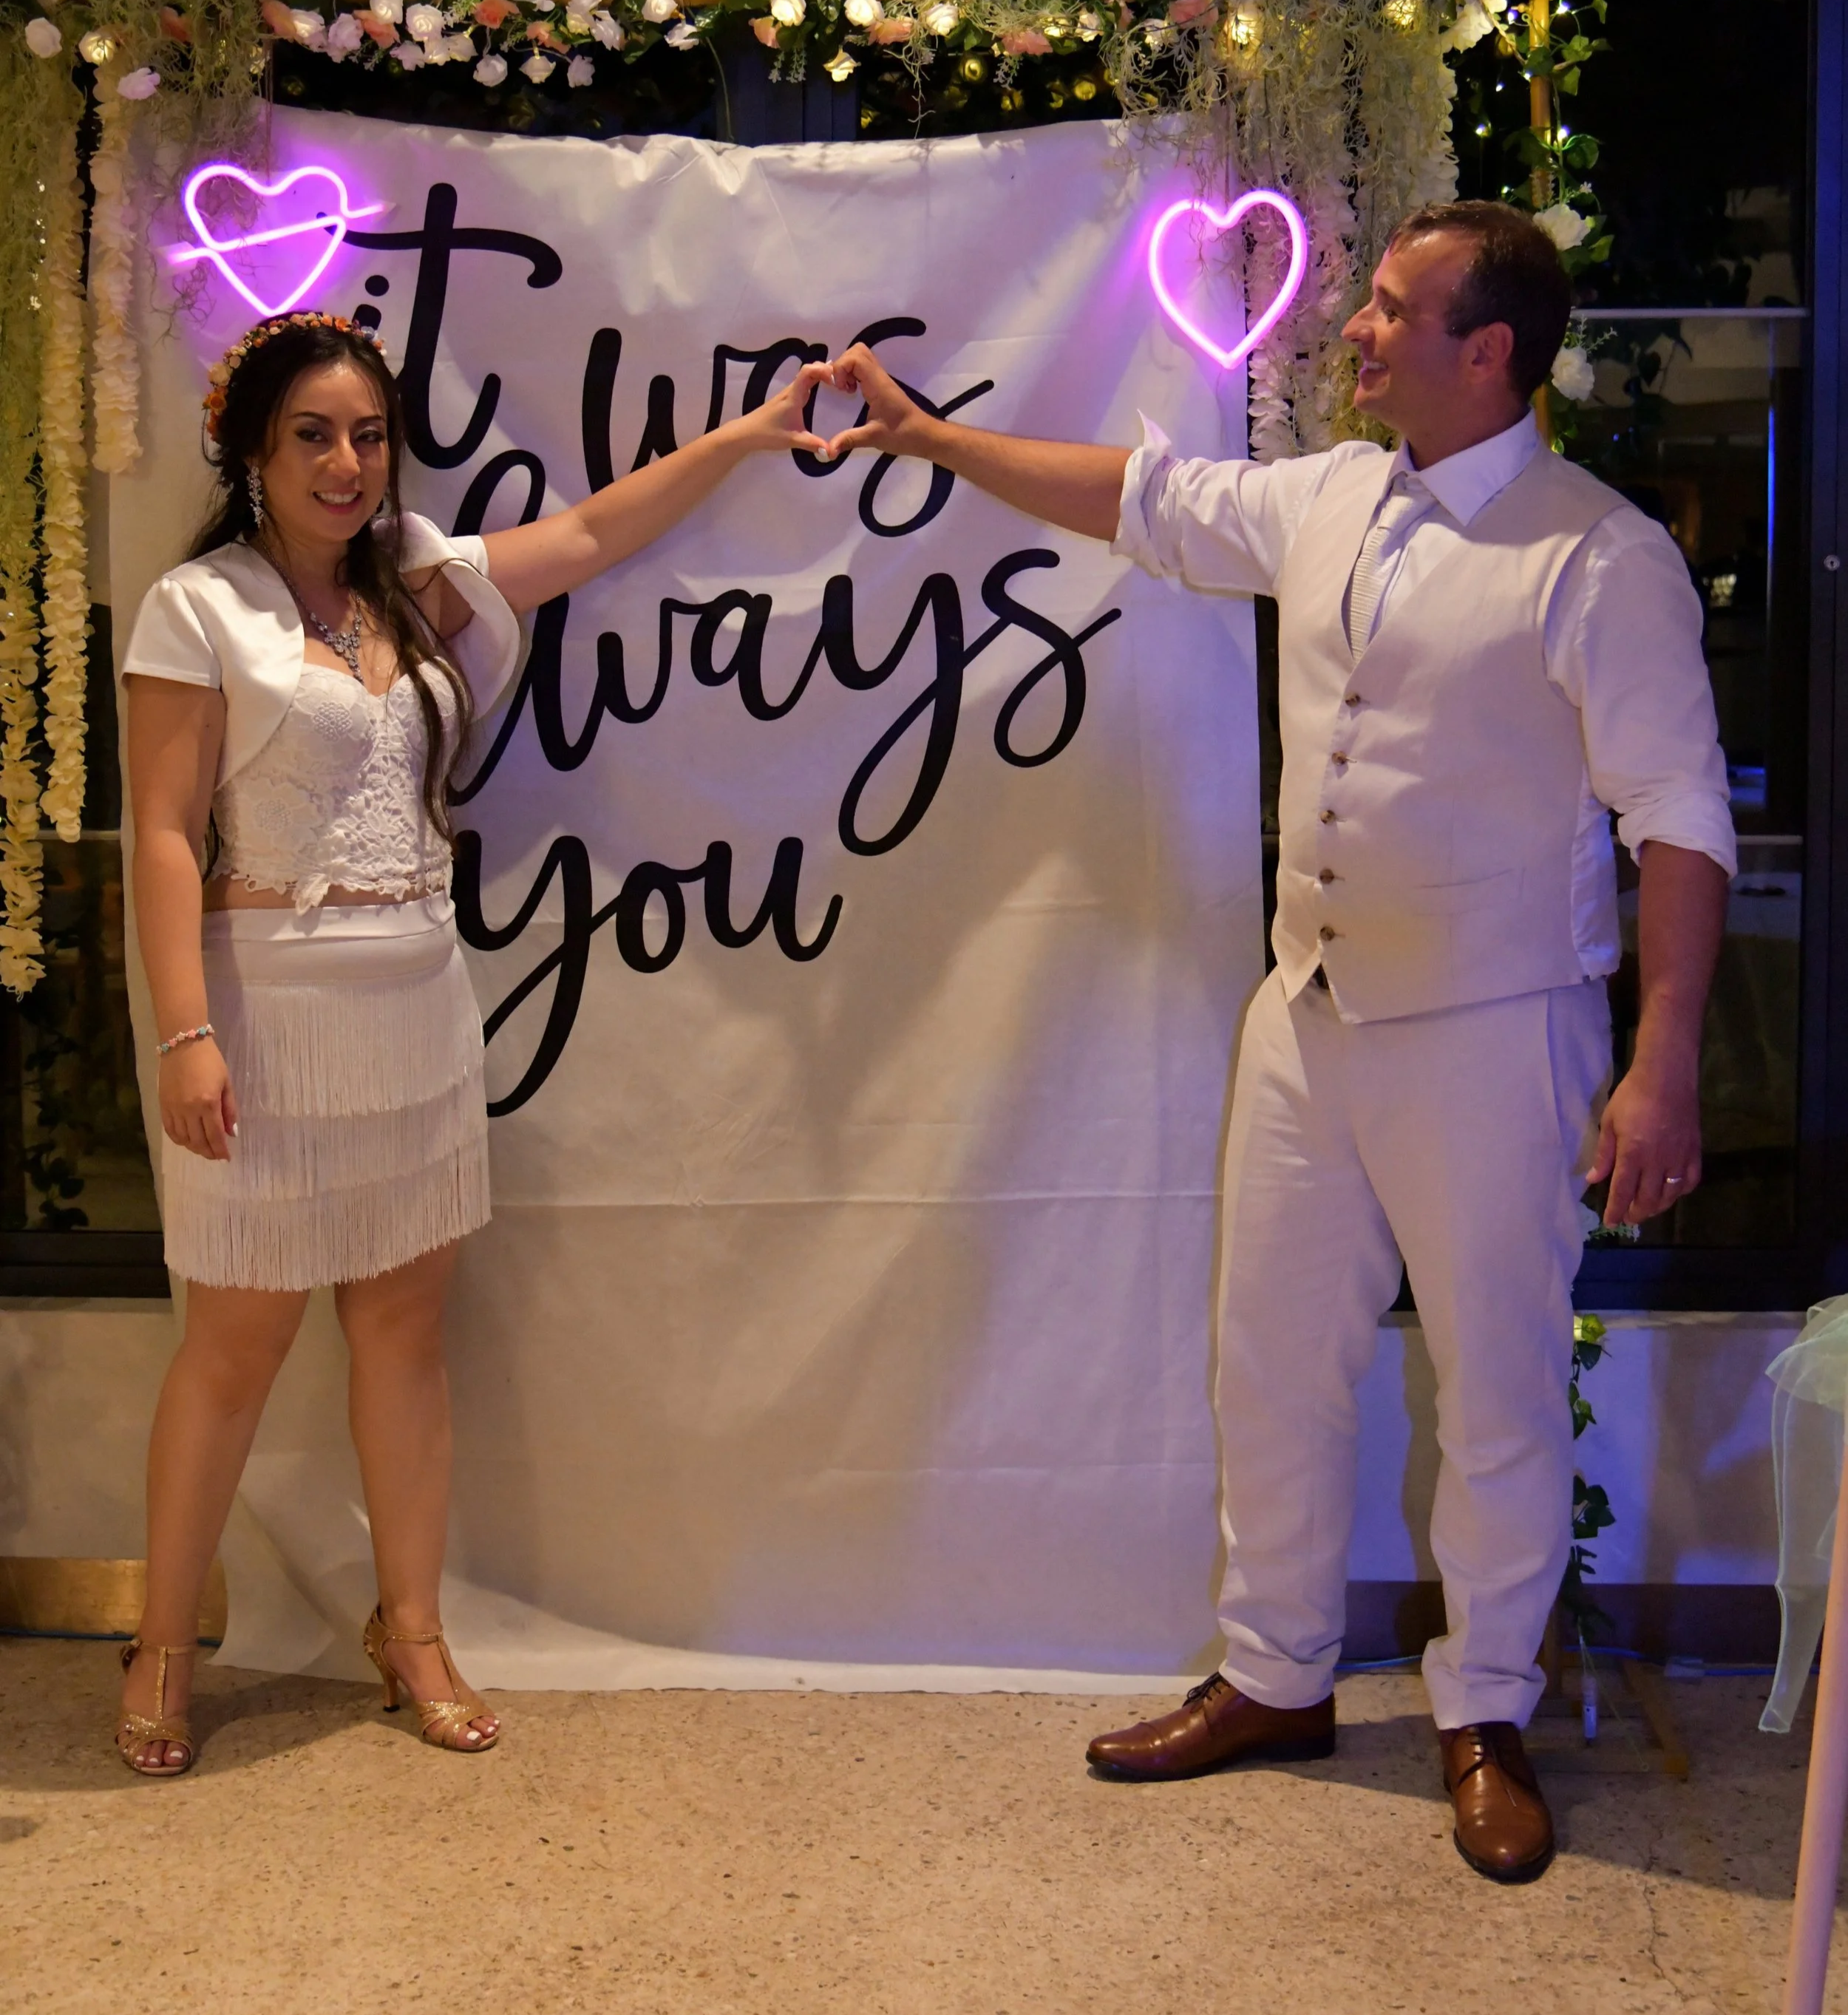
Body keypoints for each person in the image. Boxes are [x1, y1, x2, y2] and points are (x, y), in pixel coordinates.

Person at [816, 200, 1733, 1883]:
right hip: (1305, 1010)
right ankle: (1274, 1674)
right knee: (1269, 1359)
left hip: (1495, 1026)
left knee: (1504, 1394)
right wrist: (930, 437)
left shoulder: (1596, 555)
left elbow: (1676, 817)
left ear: (1490, 354)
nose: (1353, 329)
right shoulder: (1326, 496)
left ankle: (1483, 1710)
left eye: (1389, 310)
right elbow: (1141, 501)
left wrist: (1658, 1055)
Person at [115, 309, 831, 1775]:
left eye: (368, 434)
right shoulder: (201, 608)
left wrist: (753, 438)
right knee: (231, 1351)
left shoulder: (418, 581)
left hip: (416, 1007)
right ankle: (163, 1640)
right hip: (262, 1008)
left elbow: (581, 536)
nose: (345, 460)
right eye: (312, 433)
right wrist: (186, 1032)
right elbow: (164, 836)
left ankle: (414, 1629)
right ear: (252, 449)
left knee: (402, 1335)